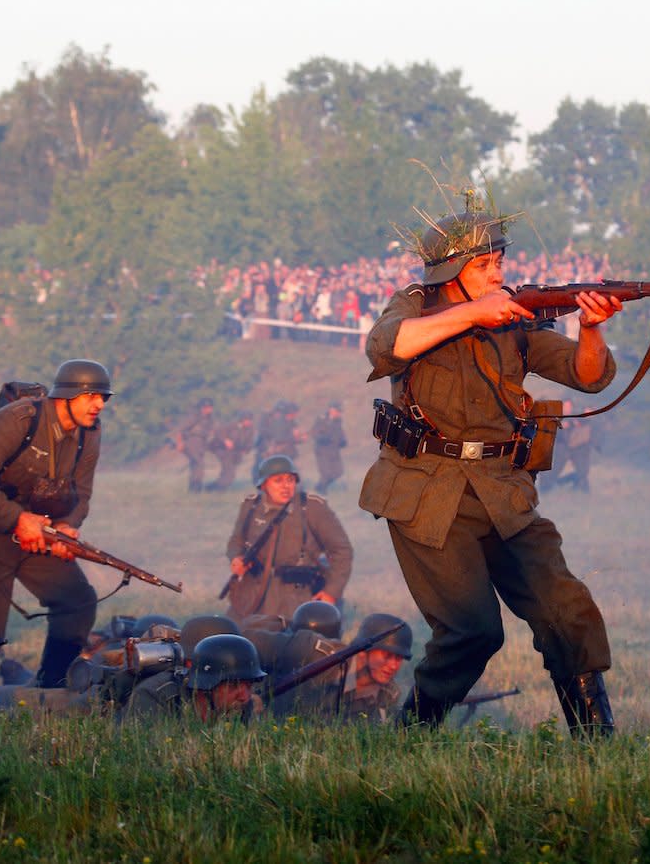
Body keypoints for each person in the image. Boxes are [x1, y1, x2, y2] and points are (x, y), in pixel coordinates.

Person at [359, 202, 622, 736]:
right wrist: (474, 314)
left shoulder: (515, 314)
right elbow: (386, 346)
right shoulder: (415, 305)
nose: (499, 273)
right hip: (428, 494)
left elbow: (587, 376)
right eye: (486, 264)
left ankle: (599, 749)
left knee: (566, 609)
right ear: (452, 269)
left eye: (500, 261)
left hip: (503, 493)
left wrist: (591, 328)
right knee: (472, 632)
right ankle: (411, 736)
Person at [0, 359, 111, 693]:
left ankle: (50, 692)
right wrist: (16, 520)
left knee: (77, 601)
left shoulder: (88, 432)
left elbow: (82, 492)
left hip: (35, 531)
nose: (99, 404)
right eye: (92, 395)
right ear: (66, 395)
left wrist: (67, 526)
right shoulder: (16, 420)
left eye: (104, 397)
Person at [224, 455, 353, 623]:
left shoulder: (311, 508)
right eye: (278, 481)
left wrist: (331, 592)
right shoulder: (251, 506)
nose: (286, 486)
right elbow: (236, 541)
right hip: (254, 592)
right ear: (264, 485)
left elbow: (342, 550)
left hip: (296, 596)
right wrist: (236, 558)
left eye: (290, 480)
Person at [126, 633, 265, 722]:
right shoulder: (155, 697)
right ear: (207, 686)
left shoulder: (242, 706)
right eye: (233, 686)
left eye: (249, 685)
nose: (245, 696)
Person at [206, 410, 256, 492]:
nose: (249, 422)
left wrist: (246, 450)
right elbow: (218, 432)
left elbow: (249, 443)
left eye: (250, 420)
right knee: (230, 473)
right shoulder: (232, 425)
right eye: (247, 420)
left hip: (234, 452)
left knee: (227, 472)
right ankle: (219, 490)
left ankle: (211, 488)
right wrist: (225, 440)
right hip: (221, 449)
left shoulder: (250, 429)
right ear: (242, 419)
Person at [177, 397, 215, 493]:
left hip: (201, 445)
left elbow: (209, 433)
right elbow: (180, 430)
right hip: (191, 443)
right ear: (201, 408)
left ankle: (193, 489)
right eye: (206, 407)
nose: (208, 409)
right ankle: (196, 488)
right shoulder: (194, 417)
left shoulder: (210, 419)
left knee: (195, 466)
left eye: (210, 407)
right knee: (199, 465)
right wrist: (180, 443)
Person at [255, 400, 304, 472]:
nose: (279, 414)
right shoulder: (266, 417)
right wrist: (272, 433)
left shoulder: (289, 420)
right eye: (278, 411)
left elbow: (294, 431)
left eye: (282, 412)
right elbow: (261, 429)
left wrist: (298, 437)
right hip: (266, 445)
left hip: (284, 449)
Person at [311, 401, 348, 494]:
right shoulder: (321, 419)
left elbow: (340, 433)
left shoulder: (338, 421)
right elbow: (315, 432)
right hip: (322, 451)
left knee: (338, 472)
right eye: (338, 411)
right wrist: (322, 438)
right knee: (326, 473)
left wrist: (343, 441)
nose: (339, 413)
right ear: (331, 410)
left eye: (340, 412)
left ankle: (319, 487)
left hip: (334, 451)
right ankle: (322, 491)